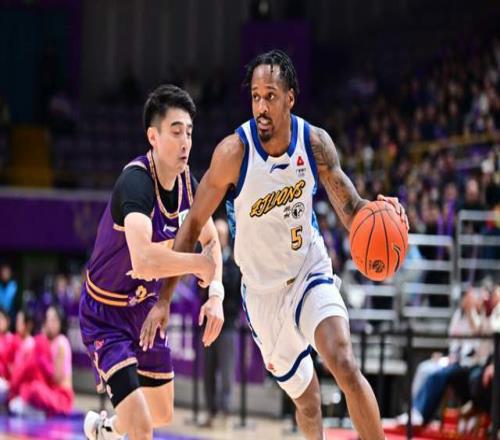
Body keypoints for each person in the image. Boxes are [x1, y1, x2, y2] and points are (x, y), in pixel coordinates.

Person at [140, 50, 409, 440]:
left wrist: (380, 212)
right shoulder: (233, 153)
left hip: (308, 270)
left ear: (290, 98)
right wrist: (164, 298)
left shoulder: (314, 144)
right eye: (255, 97)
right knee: (308, 402)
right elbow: (193, 223)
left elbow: (352, 208)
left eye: (270, 96)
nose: (261, 107)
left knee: (345, 363)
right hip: (262, 294)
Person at [80, 85, 224, 440]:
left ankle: (105, 429)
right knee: (142, 428)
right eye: (176, 132)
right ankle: (118, 426)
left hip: (145, 310)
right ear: (153, 137)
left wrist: (216, 294)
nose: (185, 141)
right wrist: (196, 264)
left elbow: (212, 240)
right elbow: (143, 260)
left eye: (189, 132)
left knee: (161, 412)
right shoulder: (136, 182)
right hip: (106, 314)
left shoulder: (188, 185)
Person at [200, 218, 241, 428]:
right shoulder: (203, 261)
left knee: (227, 372)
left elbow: (234, 290)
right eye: (216, 232)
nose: (218, 237)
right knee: (208, 373)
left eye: (222, 234)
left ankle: (226, 413)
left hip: (228, 326)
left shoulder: (234, 262)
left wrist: (216, 281)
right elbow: (200, 289)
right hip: (208, 325)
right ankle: (211, 412)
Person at [8, 305, 73, 417]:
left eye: (53, 320)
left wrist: (41, 364)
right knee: (27, 388)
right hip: (50, 391)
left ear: (60, 322)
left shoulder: (61, 342)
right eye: (48, 319)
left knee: (34, 388)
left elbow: (57, 378)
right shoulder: (46, 342)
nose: (50, 324)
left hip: (61, 396)